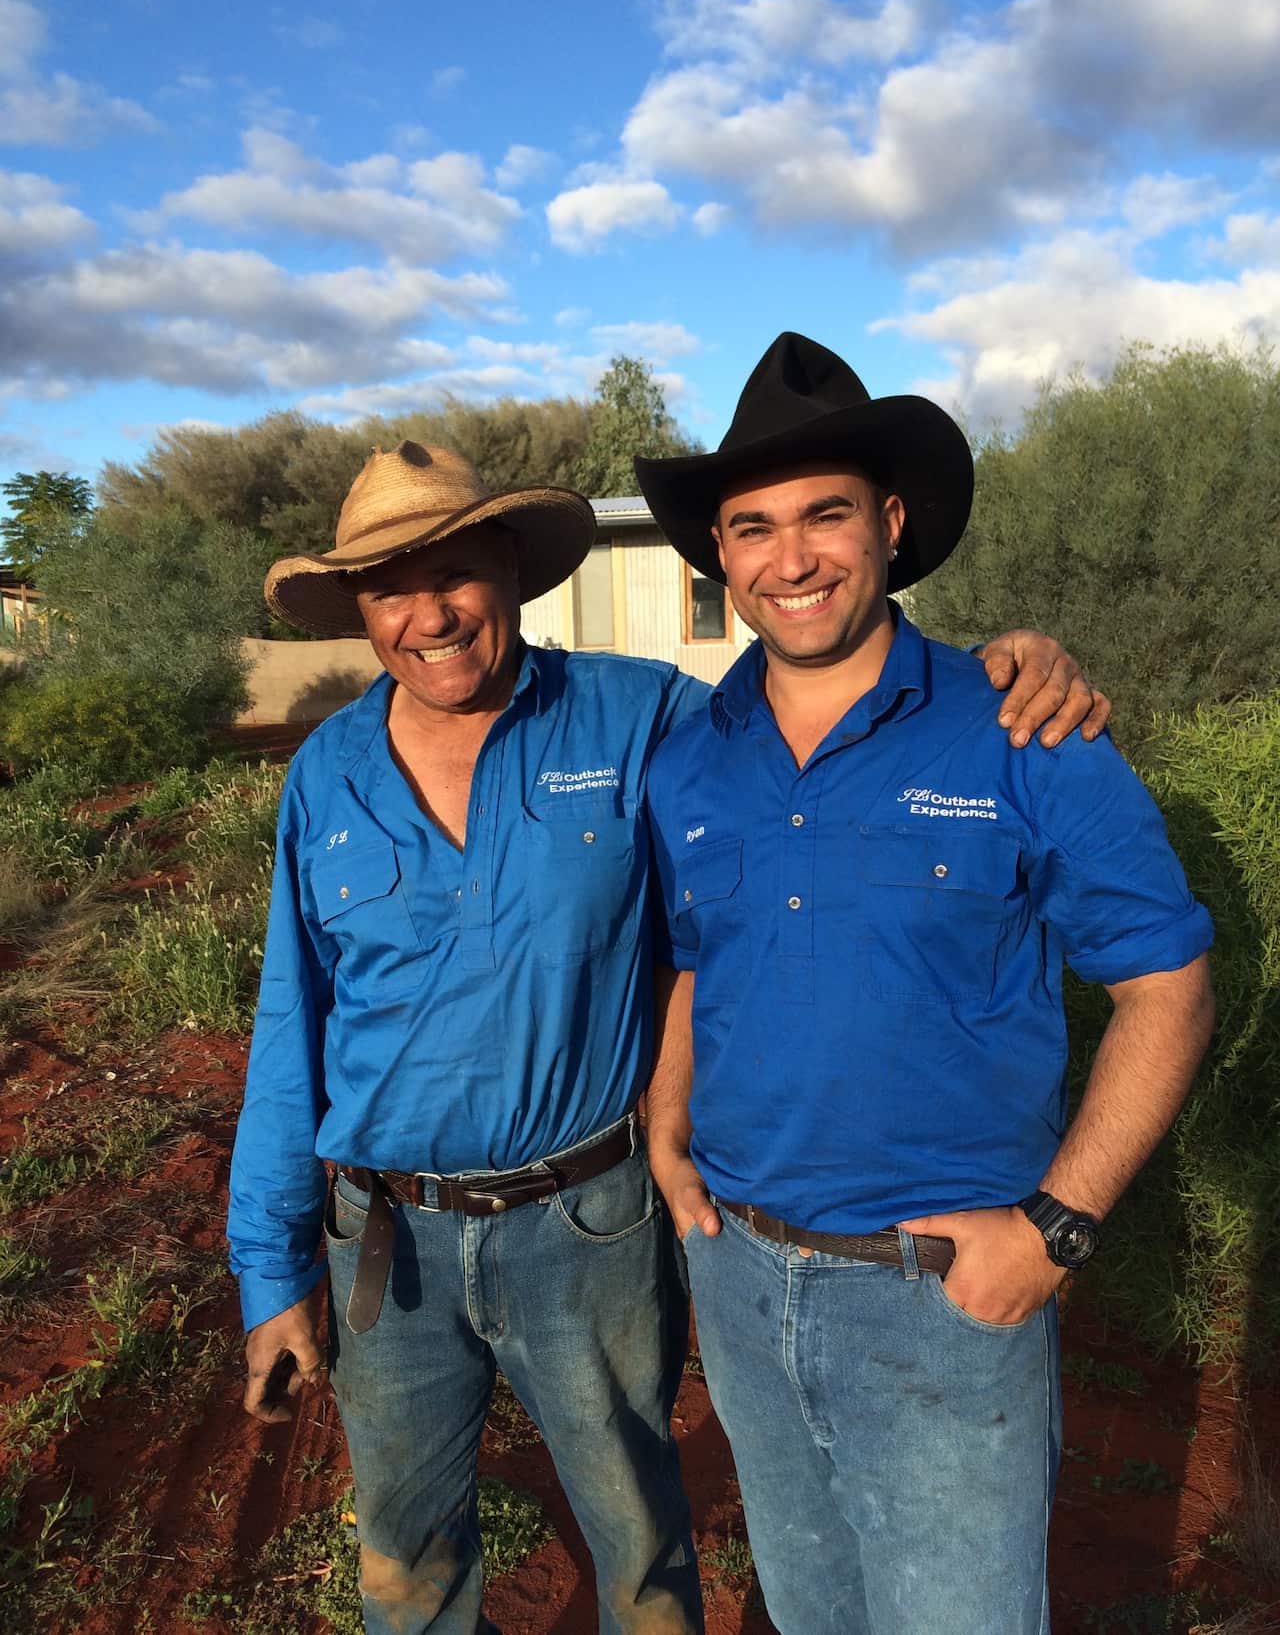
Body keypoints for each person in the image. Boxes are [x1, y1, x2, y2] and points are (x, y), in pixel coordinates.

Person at [227, 437, 1113, 1635]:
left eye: (457, 575)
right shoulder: (325, 773)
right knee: (406, 1555)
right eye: (391, 587)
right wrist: (271, 1269)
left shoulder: (639, 719)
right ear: (358, 611)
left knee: (637, 1545)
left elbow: (823, 704)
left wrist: (1001, 668)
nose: (429, 616)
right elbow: (293, 1021)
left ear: (512, 577)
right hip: (384, 1242)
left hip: (584, 1224)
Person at [636, 332, 1215, 1635]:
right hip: (737, 1275)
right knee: (807, 1605)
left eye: (825, 515)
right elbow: (693, 956)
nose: (791, 559)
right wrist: (665, 1127)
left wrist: (1058, 1226)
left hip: (946, 1294)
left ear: (891, 523)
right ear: (719, 556)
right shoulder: (692, 759)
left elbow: (1169, 984)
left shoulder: (1021, 727)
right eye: (753, 527)